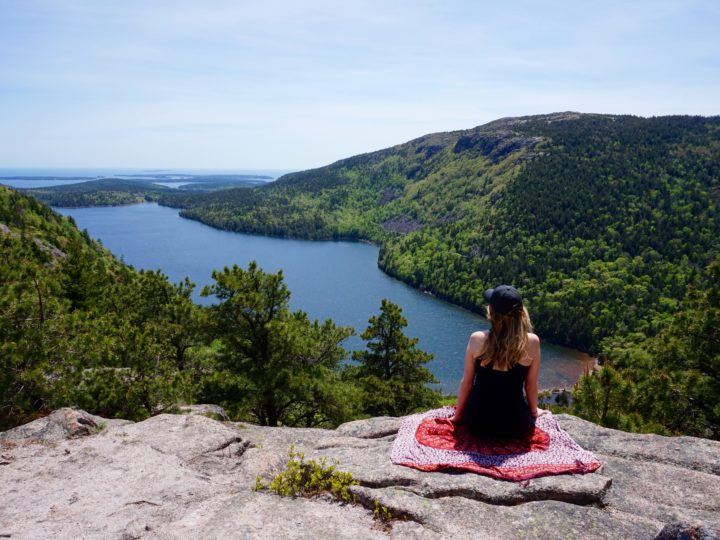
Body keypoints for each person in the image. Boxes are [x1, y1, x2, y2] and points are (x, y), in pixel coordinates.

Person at [449, 285, 545, 438]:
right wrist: (534, 411)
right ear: (521, 313)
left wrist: (458, 416)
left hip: (477, 423)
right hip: (515, 425)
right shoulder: (533, 342)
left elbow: (467, 382)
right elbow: (530, 385)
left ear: (491, 313)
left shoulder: (477, 339)